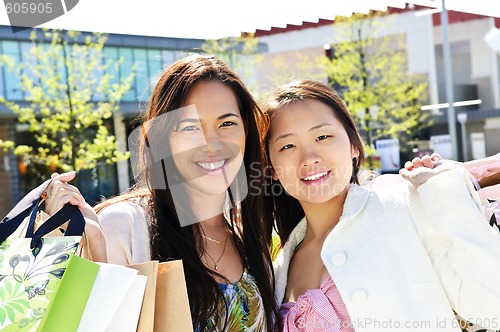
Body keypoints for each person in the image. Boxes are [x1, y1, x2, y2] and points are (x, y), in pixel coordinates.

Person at [45, 54, 278, 331]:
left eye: (227, 123)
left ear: (247, 132)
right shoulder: (124, 226)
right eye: (190, 127)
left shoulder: (249, 238)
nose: (212, 143)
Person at [262, 79, 500, 331]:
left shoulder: (400, 204)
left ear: (354, 145)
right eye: (287, 145)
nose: (309, 158)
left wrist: (442, 190)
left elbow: (491, 306)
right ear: (272, 167)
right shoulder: (279, 268)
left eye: (322, 136)